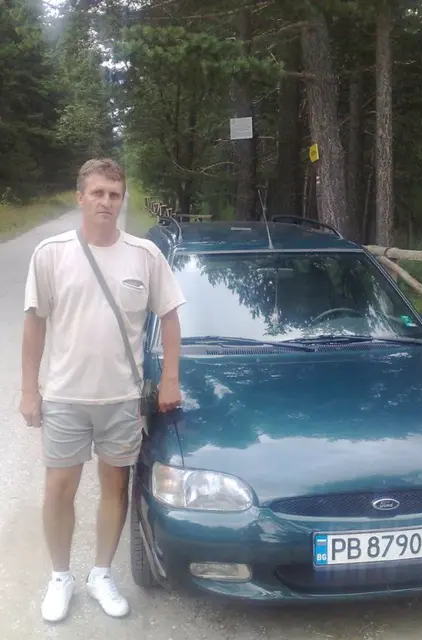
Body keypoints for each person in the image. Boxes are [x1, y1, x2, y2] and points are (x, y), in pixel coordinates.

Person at [19, 158, 186, 623]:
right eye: (97, 193)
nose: (105, 202)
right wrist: (29, 389)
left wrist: (170, 378)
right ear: (80, 197)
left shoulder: (144, 256)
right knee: (59, 489)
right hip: (65, 397)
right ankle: (60, 576)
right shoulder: (51, 254)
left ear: (122, 199)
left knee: (115, 487)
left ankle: (101, 573)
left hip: (121, 398)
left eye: (114, 194)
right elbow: (34, 324)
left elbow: (171, 316)